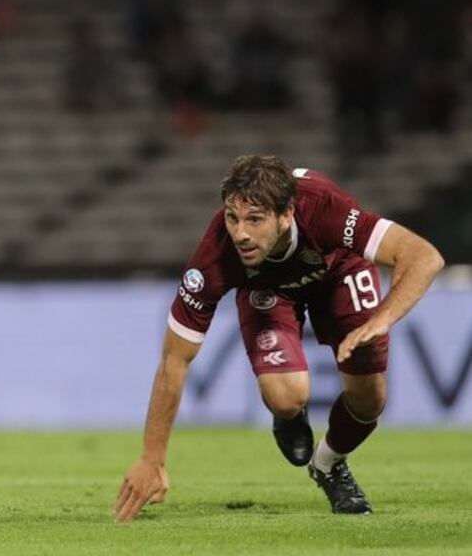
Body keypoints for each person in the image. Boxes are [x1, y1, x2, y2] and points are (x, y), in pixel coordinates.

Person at [114, 155, 443, 521]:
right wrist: (151, 458)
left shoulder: (324, 210)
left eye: (255, 220)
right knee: (287, 397)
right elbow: (174, 360)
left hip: (337, 270)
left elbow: (423, 256)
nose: (240, 233)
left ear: (286, 215)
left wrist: (383, 318)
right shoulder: (215, 255)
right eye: (233, 217)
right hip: (267, 287)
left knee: (370, 399)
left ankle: (329, 464)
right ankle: (287, 417)